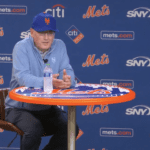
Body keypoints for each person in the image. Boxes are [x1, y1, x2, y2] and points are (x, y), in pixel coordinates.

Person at [5, 12, 79, 150]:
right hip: (18, 108)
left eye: (50, 33)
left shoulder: (60, 45)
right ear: (32, 32)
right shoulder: (21, 47)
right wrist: (49, 82)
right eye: (41, 33)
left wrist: (68, 81)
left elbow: (67, 71)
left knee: (71, 128)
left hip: (46, 108)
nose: (46, 38)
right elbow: (23, 78)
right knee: (33, 129)